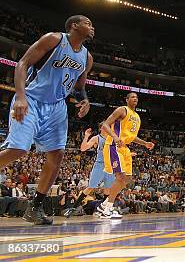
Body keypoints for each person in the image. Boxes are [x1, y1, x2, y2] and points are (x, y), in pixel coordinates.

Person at [0, 15, 93, 224]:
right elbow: (22, 63)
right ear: (74, 26)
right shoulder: (54, 39)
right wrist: (21, 96)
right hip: (32, 98)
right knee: (19, 149)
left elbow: (79, 87)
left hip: (58, 106)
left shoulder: (87, 57)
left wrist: (85, 100)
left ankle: (35, 207)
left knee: (57, 155)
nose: (92, 26)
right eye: (87, 23)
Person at [97, 93, 155, 219]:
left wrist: (145, 143)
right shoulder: (122, 110)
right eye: (132, 97)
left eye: (137, 98)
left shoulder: (137, 117)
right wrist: (115, 137)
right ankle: (108, 209)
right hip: (114, 145)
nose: (135, 99)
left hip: (125, 148)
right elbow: (105, 125)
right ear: (127, 99)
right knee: (121, 177)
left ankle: (105, 204)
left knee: (127, 179)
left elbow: (132, 137)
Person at [63, 126, 115, 217]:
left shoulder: (112, 138)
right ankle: (73, 208)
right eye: (105, 127)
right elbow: (83, 148)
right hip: (99, 165)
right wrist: (86, 136)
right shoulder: (97, 138)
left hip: (110, 165)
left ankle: (104, 210)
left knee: (108, 188)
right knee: (90, 187)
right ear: (101, 128)